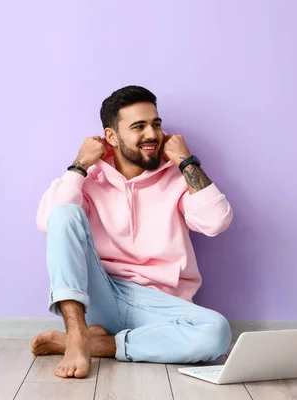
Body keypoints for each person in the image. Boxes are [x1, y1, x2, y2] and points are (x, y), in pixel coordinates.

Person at [32, 85, 233, 379]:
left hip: (160, 306)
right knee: (64, 213)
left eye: (156, 124)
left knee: (216, 333)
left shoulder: (177, 178)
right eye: (139, 126)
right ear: (111, 136)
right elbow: (51, 222)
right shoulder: (90, 178)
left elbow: (217, 221)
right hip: (102, 293)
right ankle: (76, 336)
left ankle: (100, 343)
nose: (152, 134)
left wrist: (184, 160)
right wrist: (80, 164)